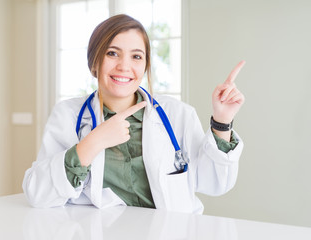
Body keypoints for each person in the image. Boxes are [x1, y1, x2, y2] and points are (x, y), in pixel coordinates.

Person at [22, 14, 245, 214]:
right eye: (112, 53)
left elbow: (215, 183)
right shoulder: (68, 115)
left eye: (136, 57)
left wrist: (222, 122)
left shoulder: (178, 115)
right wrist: (94, 141)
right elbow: (39, 193)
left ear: (145, 65)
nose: (124, 66)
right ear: (94, 63)